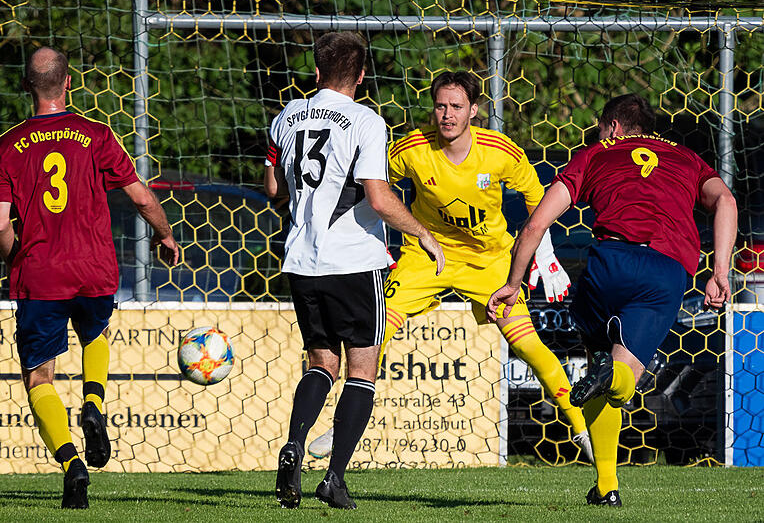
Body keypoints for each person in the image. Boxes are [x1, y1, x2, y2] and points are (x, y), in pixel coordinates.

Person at [307, 70, 592, 462]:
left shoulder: (501, 151)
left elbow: (535, 195)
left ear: (473, 110)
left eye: (456, 106)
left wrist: (544, 253)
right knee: (373, 335)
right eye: (440, 105)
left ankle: (582, 428)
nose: (447, 115)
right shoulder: (411, 149)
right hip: (427, 257)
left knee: (529, 346)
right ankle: (340, 429)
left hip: (488, 262)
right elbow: (374, 184)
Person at [487, 94, 737, 507]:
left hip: (610, 263)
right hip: (665, 270)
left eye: (601, 128)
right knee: (624, 379)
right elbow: (726, 200)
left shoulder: (594, 154)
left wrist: (514, 283)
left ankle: (606, 486)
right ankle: (611, 386)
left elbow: (535, 225)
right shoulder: (688, 158)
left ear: (614, 128)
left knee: (603, 367)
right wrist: (720, 272)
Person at [0, 47, 179, 509]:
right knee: (95, 332)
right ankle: (94, 403)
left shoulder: (6, 146)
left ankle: (71, 463)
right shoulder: (95, 134)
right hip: (94, 268)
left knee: (39, 377)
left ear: (26, 86)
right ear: (68, 83)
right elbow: (140, 197)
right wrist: (166, 235)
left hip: (41, 274)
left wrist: (4, 255)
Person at [265, 31, 444, 510]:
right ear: (362, 75)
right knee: (362, 369)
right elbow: (379, 198)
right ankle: (334, 478)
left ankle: (294, 446)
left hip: (301, 261)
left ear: (317, 70)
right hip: (353, 262)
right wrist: (423, 234)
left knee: (321, 363)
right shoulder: (366, 120)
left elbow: (273, 190)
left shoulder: (285, 117)